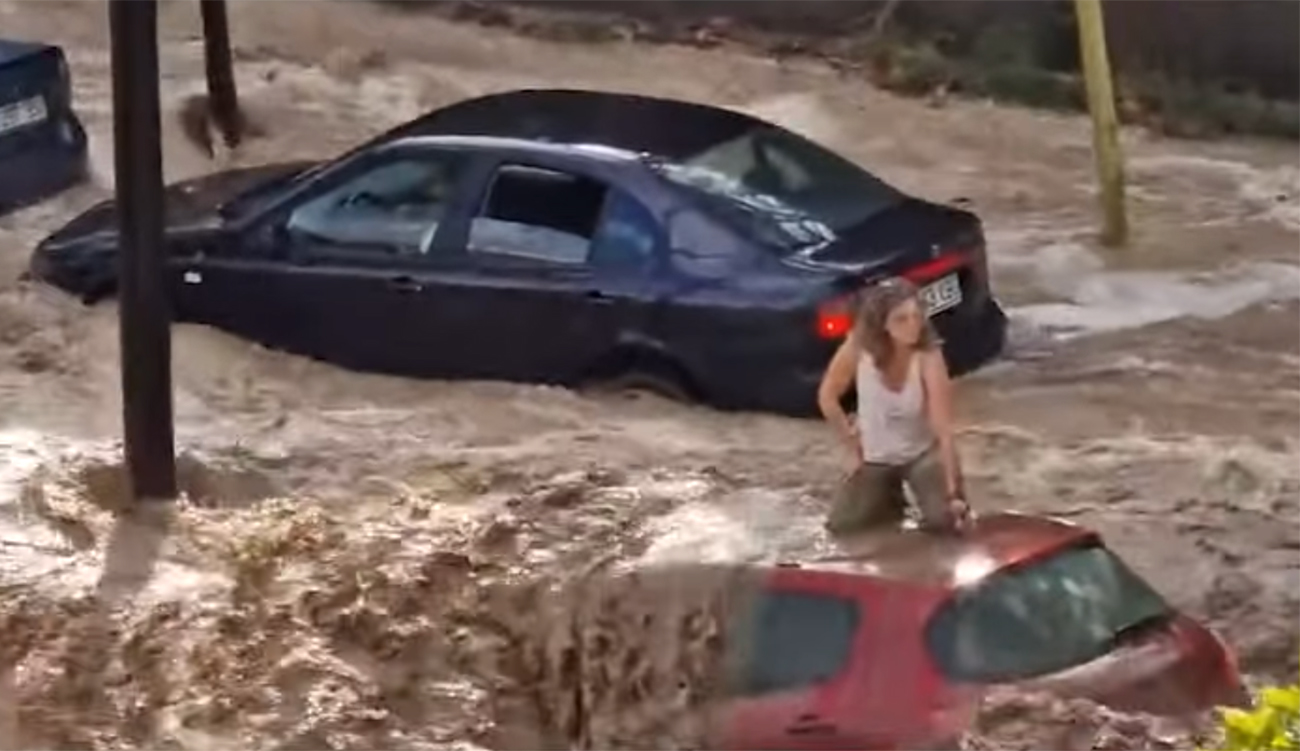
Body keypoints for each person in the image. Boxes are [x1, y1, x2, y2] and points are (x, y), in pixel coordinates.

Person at [817, 277, 970, 536]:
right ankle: (891, 503)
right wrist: (851, 444)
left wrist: (954, 492)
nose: (913, 325)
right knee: (842, 528)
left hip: (920, 454)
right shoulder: (857, 347)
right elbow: (827, 396)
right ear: (882, 324)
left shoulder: (929, 355)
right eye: (901, 319)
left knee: (945, 523)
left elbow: (943, 428)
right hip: (876, 458)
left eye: (916, 316)